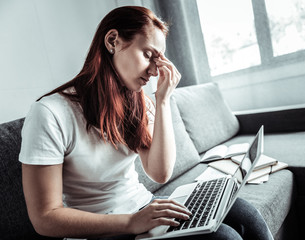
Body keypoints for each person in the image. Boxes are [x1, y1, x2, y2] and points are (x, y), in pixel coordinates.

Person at [19, 6, 274, 240]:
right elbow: (45, 218)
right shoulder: (50, 113)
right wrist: (131, 221)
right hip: (103, 229)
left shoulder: (138, 101)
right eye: (148, 55)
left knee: (245, 215)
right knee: (225, 237)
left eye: (158, 60)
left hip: (142, 206)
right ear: (112, 41)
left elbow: (160, 172)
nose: (154, 71)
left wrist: (162, 101)